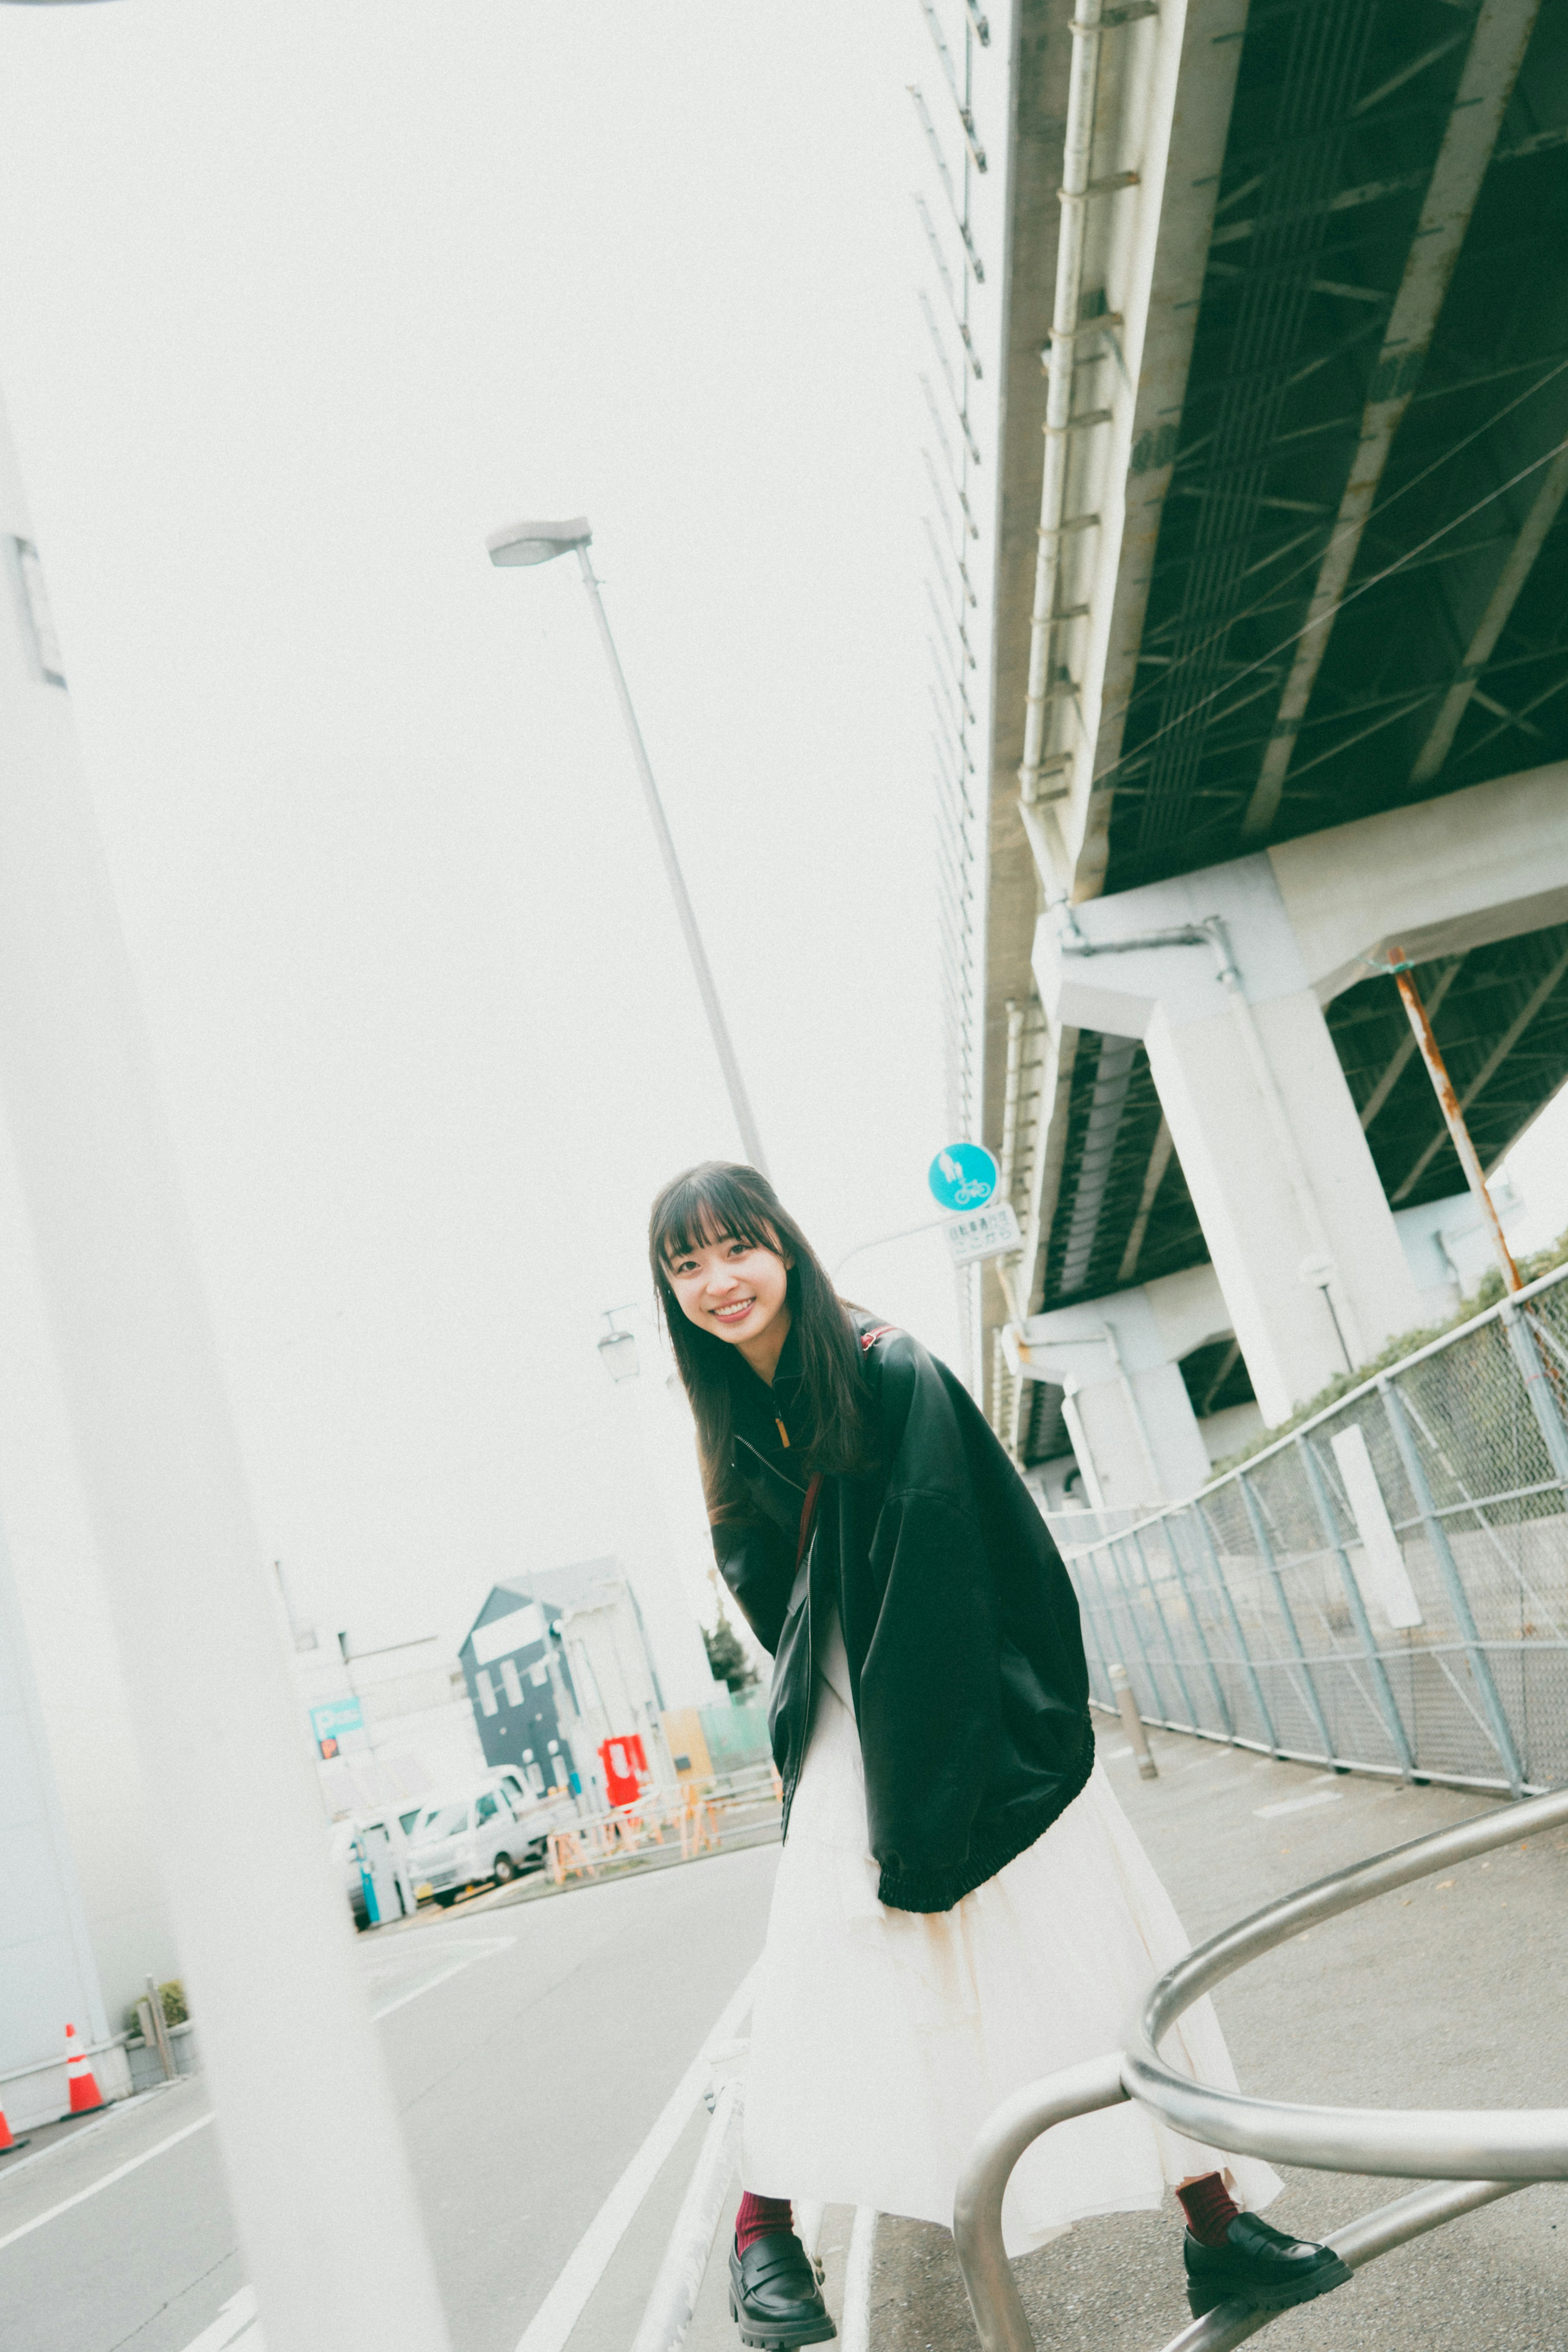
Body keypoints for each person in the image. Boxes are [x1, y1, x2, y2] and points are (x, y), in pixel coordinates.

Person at [649, 1161, 1350, 2345]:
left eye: (736, 1249)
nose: (718, 1282)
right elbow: (777, 1607)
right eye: (687, 1265)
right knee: (829, 1965)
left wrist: (926, 1806)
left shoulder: (889, 1372)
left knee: (1099, 1951)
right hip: (851, 1730)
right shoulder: (732, 1413)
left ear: (786, 1247)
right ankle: (761, 2230)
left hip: (968, 1721)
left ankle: (1216, 2222)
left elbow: (948, 1583)